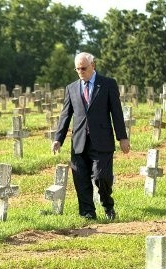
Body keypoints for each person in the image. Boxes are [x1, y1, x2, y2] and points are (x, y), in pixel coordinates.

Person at [51, 52, 130, 220]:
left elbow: (116, 112)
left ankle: (108, 204)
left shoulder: (107, 84)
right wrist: (58, 138)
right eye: (77, 69)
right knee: (81, 179)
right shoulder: (71, 88)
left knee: (102, 177)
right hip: (79, 141)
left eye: (84, 68)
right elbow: (66, 115)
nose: (80, 71)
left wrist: (122, 137)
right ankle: (87, 213)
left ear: (93, 65)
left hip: (101, 141)